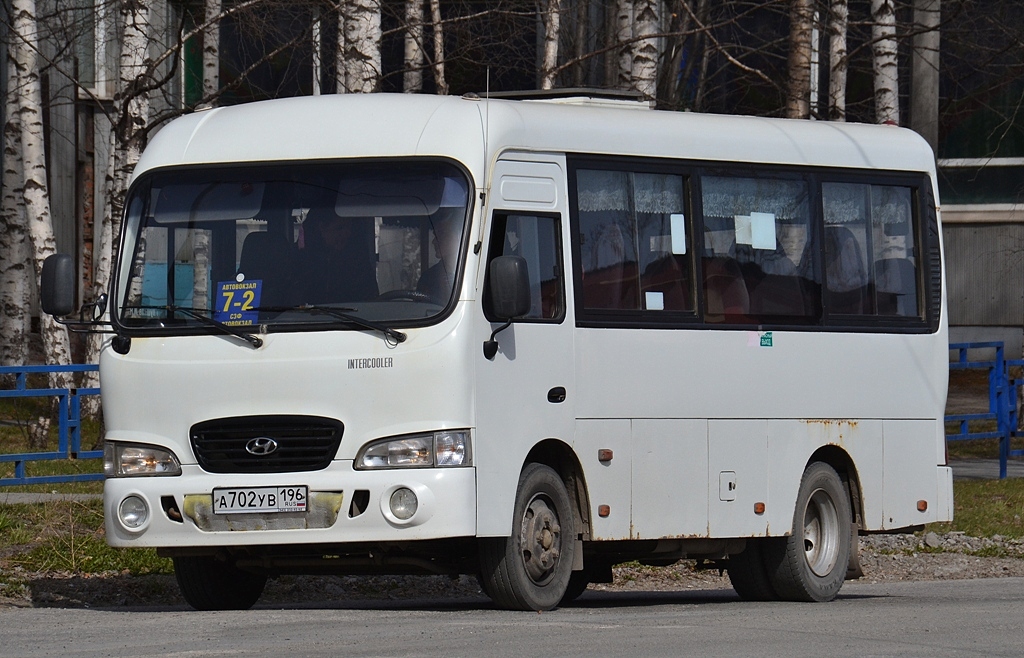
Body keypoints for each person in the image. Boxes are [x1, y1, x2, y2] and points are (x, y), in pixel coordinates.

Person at [296, 208, 378, 305]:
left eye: (349, 227)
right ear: (322, 228)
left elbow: (372, 301)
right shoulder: (300, 263)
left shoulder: (358, 263)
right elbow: (293, 303)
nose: (347, 233)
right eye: (340, 228)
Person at [416, 211, 462, 305]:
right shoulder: (428, 278)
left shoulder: (473, 273)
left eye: (442, 234)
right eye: (435, 235)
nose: (434, 241)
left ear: (460, 236)